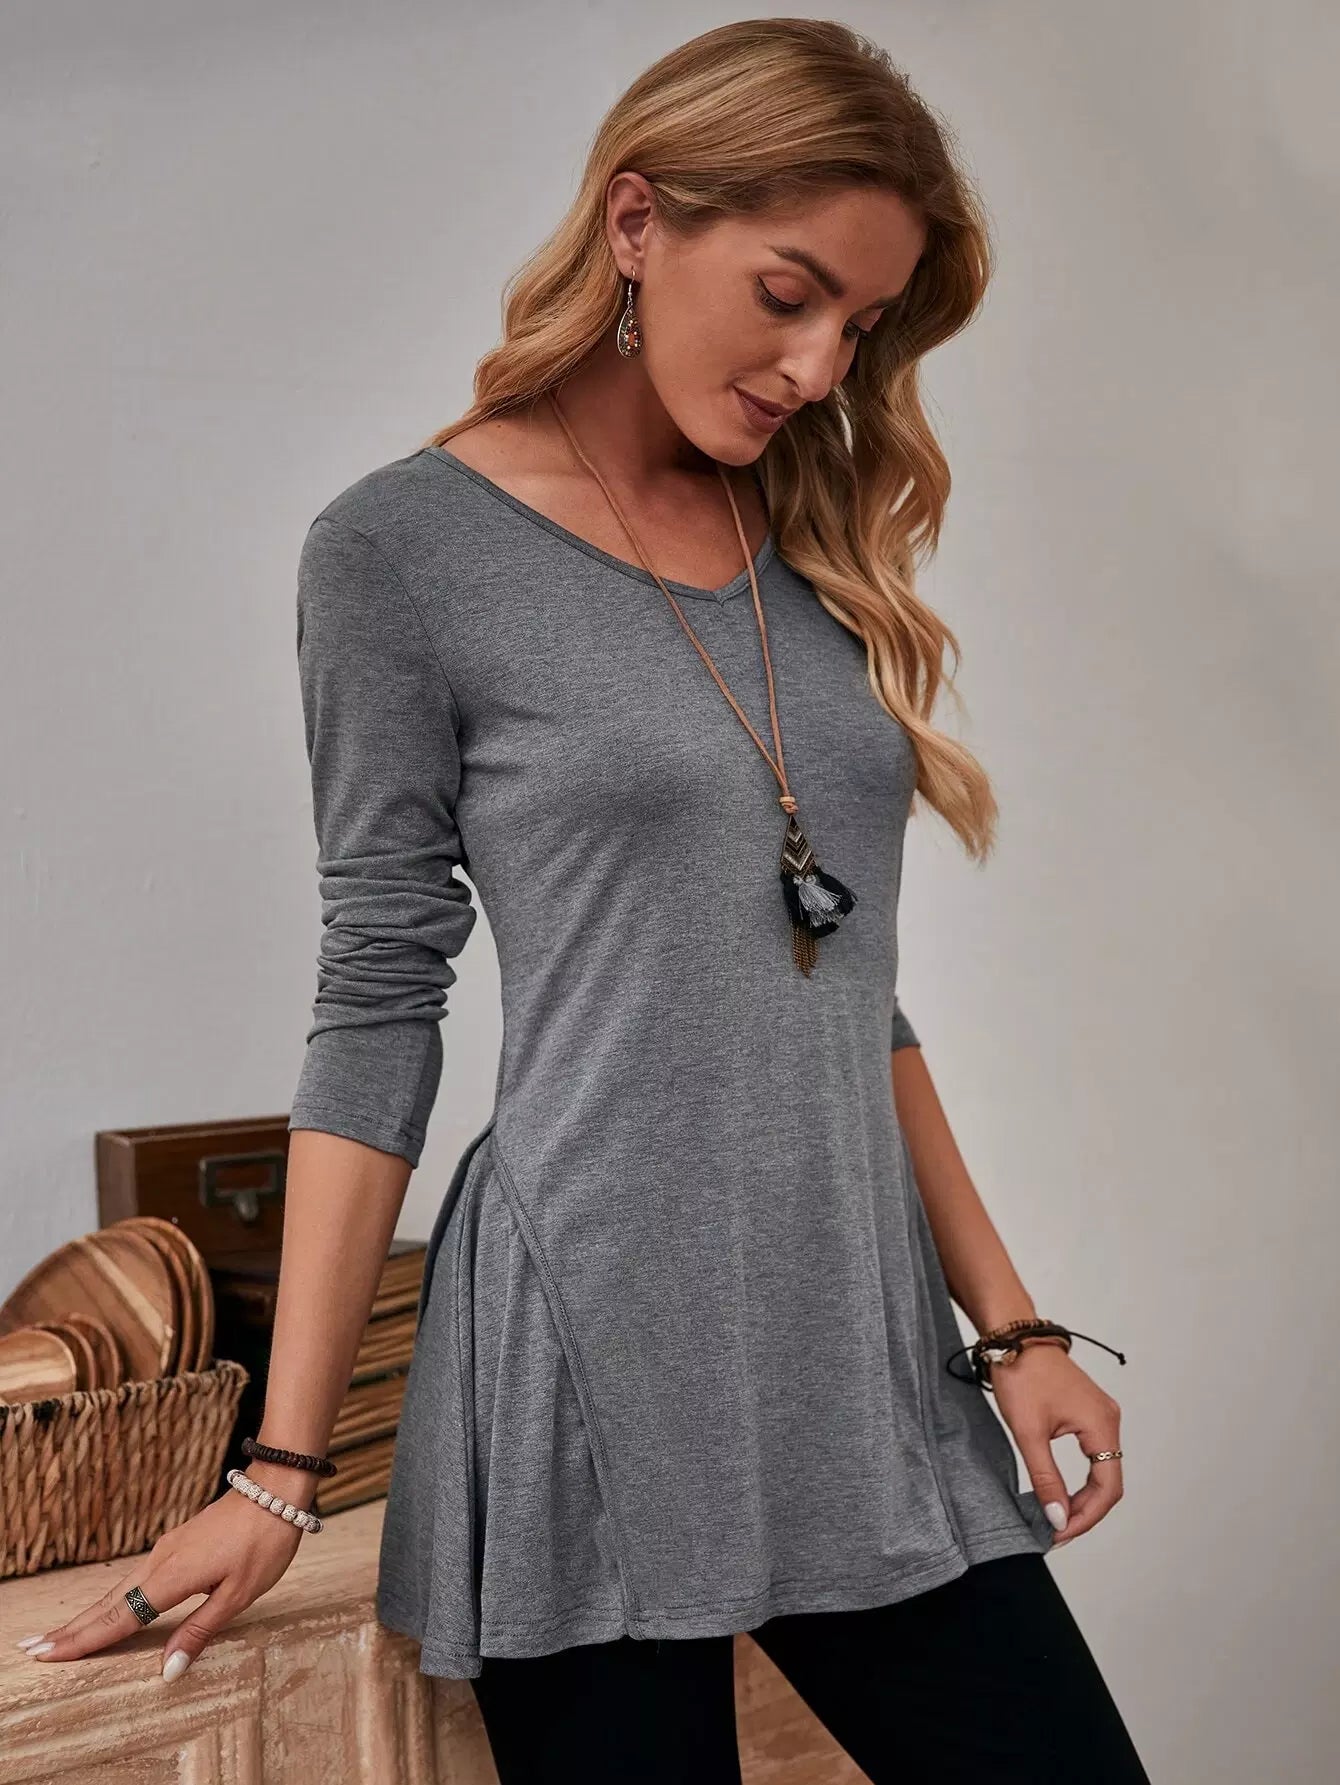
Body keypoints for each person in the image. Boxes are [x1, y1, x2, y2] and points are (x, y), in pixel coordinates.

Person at [15, 19, 1151, 1782]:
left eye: (858, 326)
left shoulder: (807, 547)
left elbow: (854, 982)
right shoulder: (401, 551)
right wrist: (280, 1467)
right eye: (788, 293)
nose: (816, 364)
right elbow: (379, 994)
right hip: (591, 1359)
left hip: (854, 1350)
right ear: (637, 222)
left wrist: (1009, 1327)